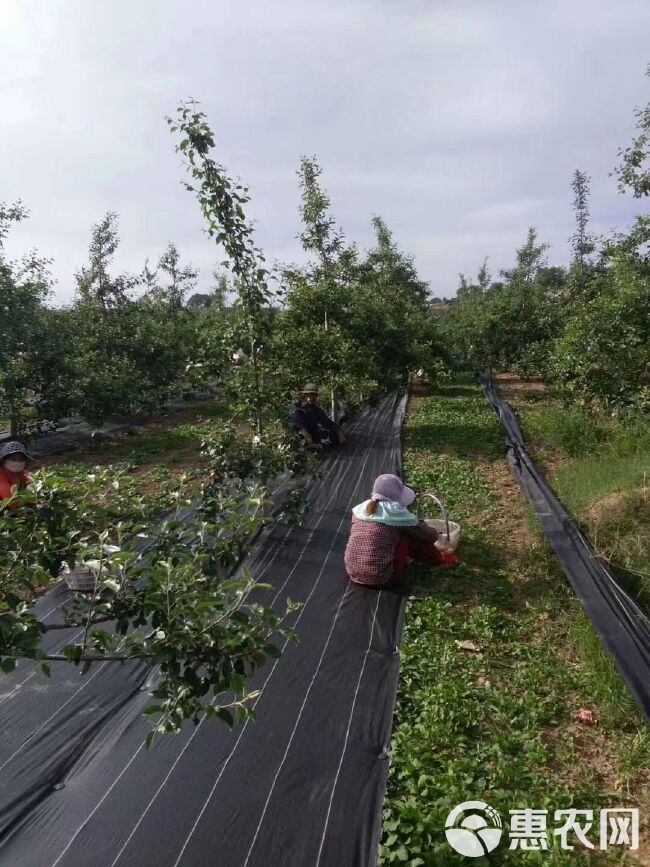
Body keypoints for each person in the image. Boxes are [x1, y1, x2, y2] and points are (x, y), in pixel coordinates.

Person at [344, 473, 458, 587]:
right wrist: (437, 533)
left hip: (353, 573)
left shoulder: (362, 510)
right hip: (382, 577)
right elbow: (429, 536)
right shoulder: (396, 514)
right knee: (409, 535)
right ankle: (438, 558)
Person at [0, 441, 33, 511]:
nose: (17, 462)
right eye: (13, 459)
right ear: (4, 461)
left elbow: (33, 487)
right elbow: (11, 501)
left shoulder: (23, 474)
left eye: (21, 459)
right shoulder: (1, 476)